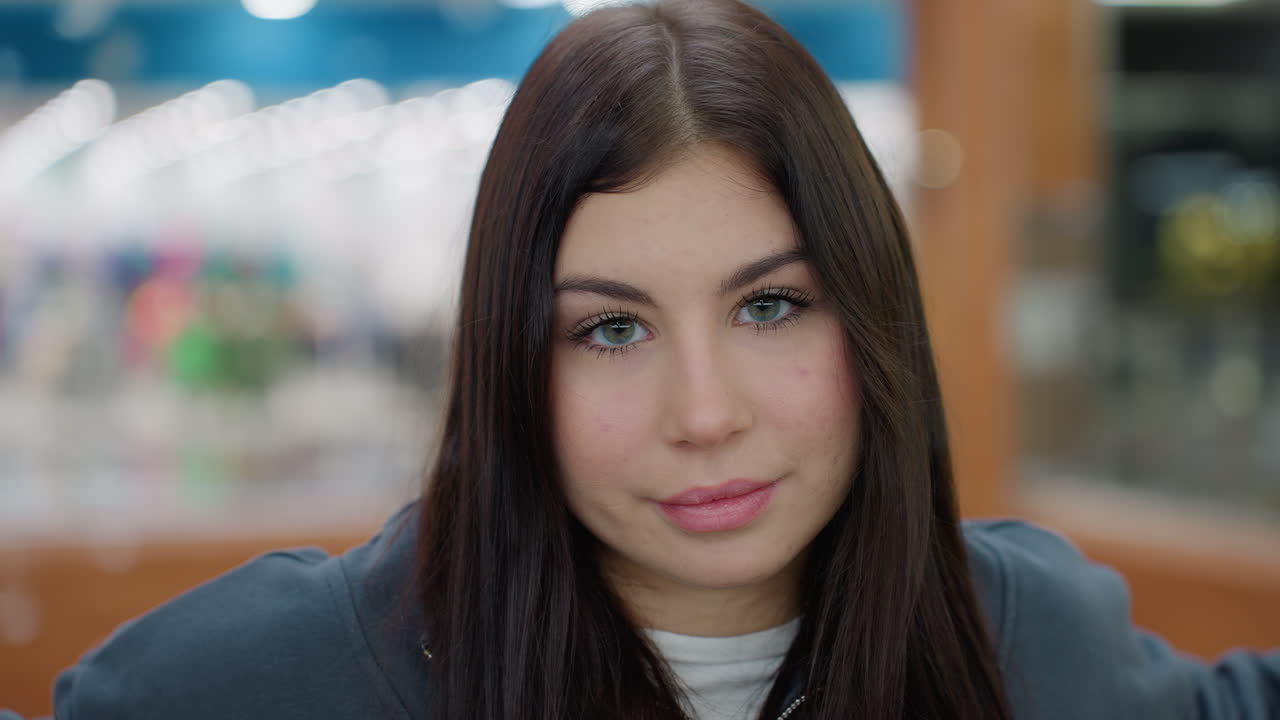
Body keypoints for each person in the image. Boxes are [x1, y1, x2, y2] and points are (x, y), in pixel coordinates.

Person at [13, 1, 1278, 718]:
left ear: (869, 315)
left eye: (770, 307)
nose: (704, 414)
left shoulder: (1020, 641)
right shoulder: (287, 674)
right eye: (608, 330)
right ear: (512, 361)